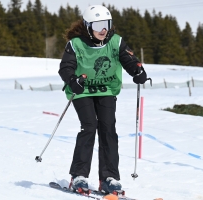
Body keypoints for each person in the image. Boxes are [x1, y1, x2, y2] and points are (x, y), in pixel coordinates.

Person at [58, 5, 148, 195]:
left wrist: (137, 71)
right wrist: (72, 80)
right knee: (89, 126)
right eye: (98, 25)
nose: (103, 29)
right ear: (87, 25)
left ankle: (109, 178)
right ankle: (79, 175)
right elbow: (65, 67)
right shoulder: (75, 44)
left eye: (106, 24)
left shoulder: (116, 42)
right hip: (82, 91)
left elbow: (129, 60)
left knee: (108, 127)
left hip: (106, 89)